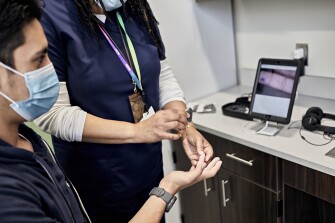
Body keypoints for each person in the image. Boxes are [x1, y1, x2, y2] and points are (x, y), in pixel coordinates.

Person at [0, 1, 222, 222]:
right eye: (40, 59)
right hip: (100, 178)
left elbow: (161, 72)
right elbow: (52, 113)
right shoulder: (52, 15)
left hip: (148, 168)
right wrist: (138, 131)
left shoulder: (134, 6)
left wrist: (186, 126)